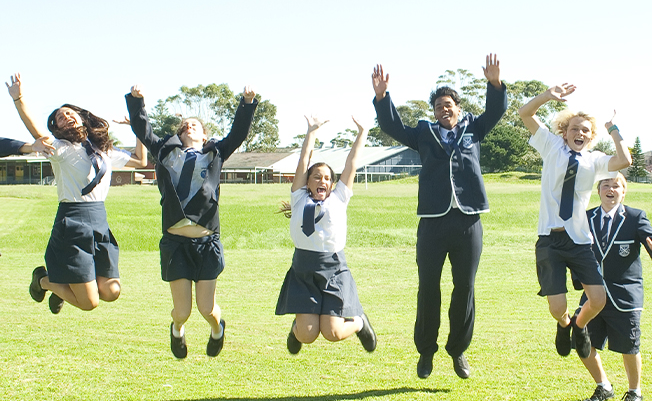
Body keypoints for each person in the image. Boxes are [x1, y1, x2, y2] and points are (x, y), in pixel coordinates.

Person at [371, 57, 507, 380]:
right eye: (438, 106)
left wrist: (495, 84)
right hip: (432, 222)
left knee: (465, 287)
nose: (443, 110)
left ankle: (458, 348)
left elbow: (496, 112)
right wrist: (381, 98)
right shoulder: (423, 134)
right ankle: (426, 351)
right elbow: (392, 127)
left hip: (468, 221)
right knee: (428, 287)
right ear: (433, 112)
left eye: (448, 104)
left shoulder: (474, 129)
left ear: (458, 108)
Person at [126, 84, 258, 358]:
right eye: (185, 125)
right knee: (182, 312)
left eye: (195, 124)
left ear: (204, 134)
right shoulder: (165, 150)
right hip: (175, 244)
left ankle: (217, 328)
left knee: (206, 309)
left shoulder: (216, 153)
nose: (189, 126)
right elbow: (143, 130)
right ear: (178, 133)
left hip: (206, 242)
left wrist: (246, 103)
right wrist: (137, 102)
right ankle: (177, 330)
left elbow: (238, 133)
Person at [8, 73, 149, 314]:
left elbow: (141, 160)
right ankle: (43, 280)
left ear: (82, 117)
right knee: (88, 303)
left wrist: (138, 128)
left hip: (99, 222)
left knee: (112, 291)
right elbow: (38, 136)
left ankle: (63, 285)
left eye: (69, 112)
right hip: (72, 221)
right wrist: (19, 99)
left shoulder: (103, 149)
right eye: (59, 118)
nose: (66, 116)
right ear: (57, 129)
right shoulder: (61, 149)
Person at [518, 85, 631, 357]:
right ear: (564, 133)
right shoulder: (551, 145)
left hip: (579, 240)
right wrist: (547, 96)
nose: (579, 133)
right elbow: (524, 113)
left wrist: (613, 129)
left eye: (585, 131)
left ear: (591, 137)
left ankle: (579, 325)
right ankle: (564, 323)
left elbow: (625, 160)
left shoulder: (595, 161)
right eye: (574, 129)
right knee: (556, 308)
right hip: (550, 240)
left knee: (598, 300)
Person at [276, 116, 376, 355]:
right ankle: (296, 329)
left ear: (332, 184)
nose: (323, 180)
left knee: (333, 333)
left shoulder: (339, 198)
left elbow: (351, 164)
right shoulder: (299, 197)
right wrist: (311, 131)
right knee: (308, 335)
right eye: (317, 177)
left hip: (334, 268)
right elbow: (303, 161)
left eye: (328, 178)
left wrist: (362, 132)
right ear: (308, 183)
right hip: (303, 269)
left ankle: (360, 322)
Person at [572, 174, 652, 401]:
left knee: (629, 345)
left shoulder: (635, 217)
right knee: (582, 340)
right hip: (593, 295)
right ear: (598, 191)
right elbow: (575, 252)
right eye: (606, 185)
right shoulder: (586, 218)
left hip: (625, 296)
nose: (611, 189)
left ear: (623, 192)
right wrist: (579, 281)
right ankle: (603, 386)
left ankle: (634, 391)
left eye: (616, 186)